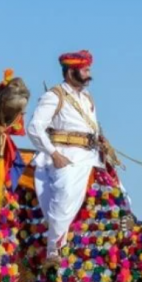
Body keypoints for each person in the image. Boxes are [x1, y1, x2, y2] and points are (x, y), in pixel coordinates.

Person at [27, 49, 119, 262]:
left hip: (91, 156)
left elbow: (92, 128)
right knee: (65, 191)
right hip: (65, 156)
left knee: (119, 193)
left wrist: (102, 142)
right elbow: (35, 127)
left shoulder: (87, 98)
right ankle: (54, 248)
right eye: (85, 70)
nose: (89, 74)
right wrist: (54, 153)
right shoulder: (54, 96)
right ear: (70, 72)